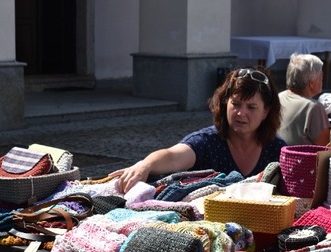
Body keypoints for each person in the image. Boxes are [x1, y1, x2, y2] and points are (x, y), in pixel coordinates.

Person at [109, 67, 285, 193]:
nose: (241, 113)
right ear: (225, 104)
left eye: (251, 107)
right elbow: (174, 155)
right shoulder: (208, 142)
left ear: (266, 111)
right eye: (236, 104)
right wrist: (145, 165)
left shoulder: (278, 150)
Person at [277, 53, 330, 147]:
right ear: (312, 83)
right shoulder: (314, 107)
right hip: (298, 156)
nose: (323, 80)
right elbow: (325, 147)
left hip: (276, 153)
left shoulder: (278, 97)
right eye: (321, 77)